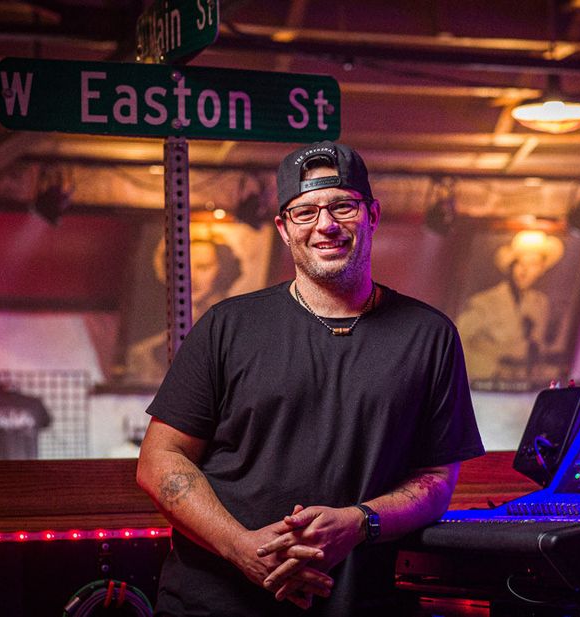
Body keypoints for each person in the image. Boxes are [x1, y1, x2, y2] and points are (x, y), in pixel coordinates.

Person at [136, 140, 484, 616]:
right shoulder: (226, 326)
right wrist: (242, 547)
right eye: (305, 212)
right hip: (215, 603)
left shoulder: (430, 335)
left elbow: (437, 480)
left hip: (361, 603)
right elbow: (159, 460)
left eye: (343, 206)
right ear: (283, 227)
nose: (326, 225)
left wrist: (360, 521)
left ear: (372, 215)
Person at [125, 232, 243, 384]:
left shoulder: (236, 330)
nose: (191, 277)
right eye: (182, 267)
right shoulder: (144, 353)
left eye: (203, 267)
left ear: (222, 270)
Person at [456, 230, 564, 382]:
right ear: (511, 267)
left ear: (541, 270)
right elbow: (457, 339)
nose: (524, 271)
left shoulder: (541, 304)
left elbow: (538, 348)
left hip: (524, 389)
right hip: (487, 386)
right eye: (520, 263)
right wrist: (490, 369)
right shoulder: (485, 302)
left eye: (533, 264)